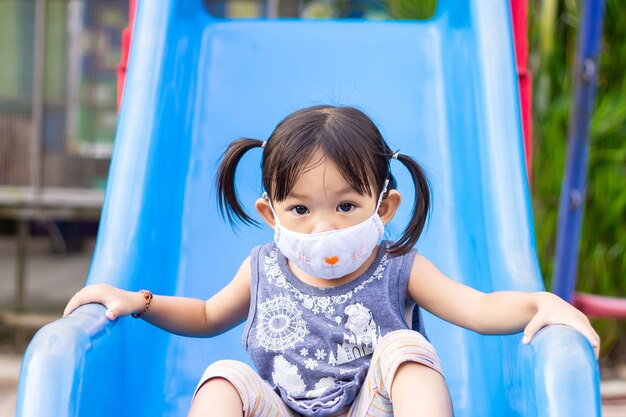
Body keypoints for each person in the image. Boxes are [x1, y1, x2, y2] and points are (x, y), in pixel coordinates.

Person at [64, 105, 599, 417]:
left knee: (405, 347)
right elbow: (205, 316)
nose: (324, 227)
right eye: (300, 209)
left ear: (383, 206)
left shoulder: (398, 266)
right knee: (223, 376)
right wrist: (139, 302)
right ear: (270, 214)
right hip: (287, 410)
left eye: (346, 205)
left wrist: (538, 302)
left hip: (369, 409)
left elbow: (478, 308)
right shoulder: (262, 268)